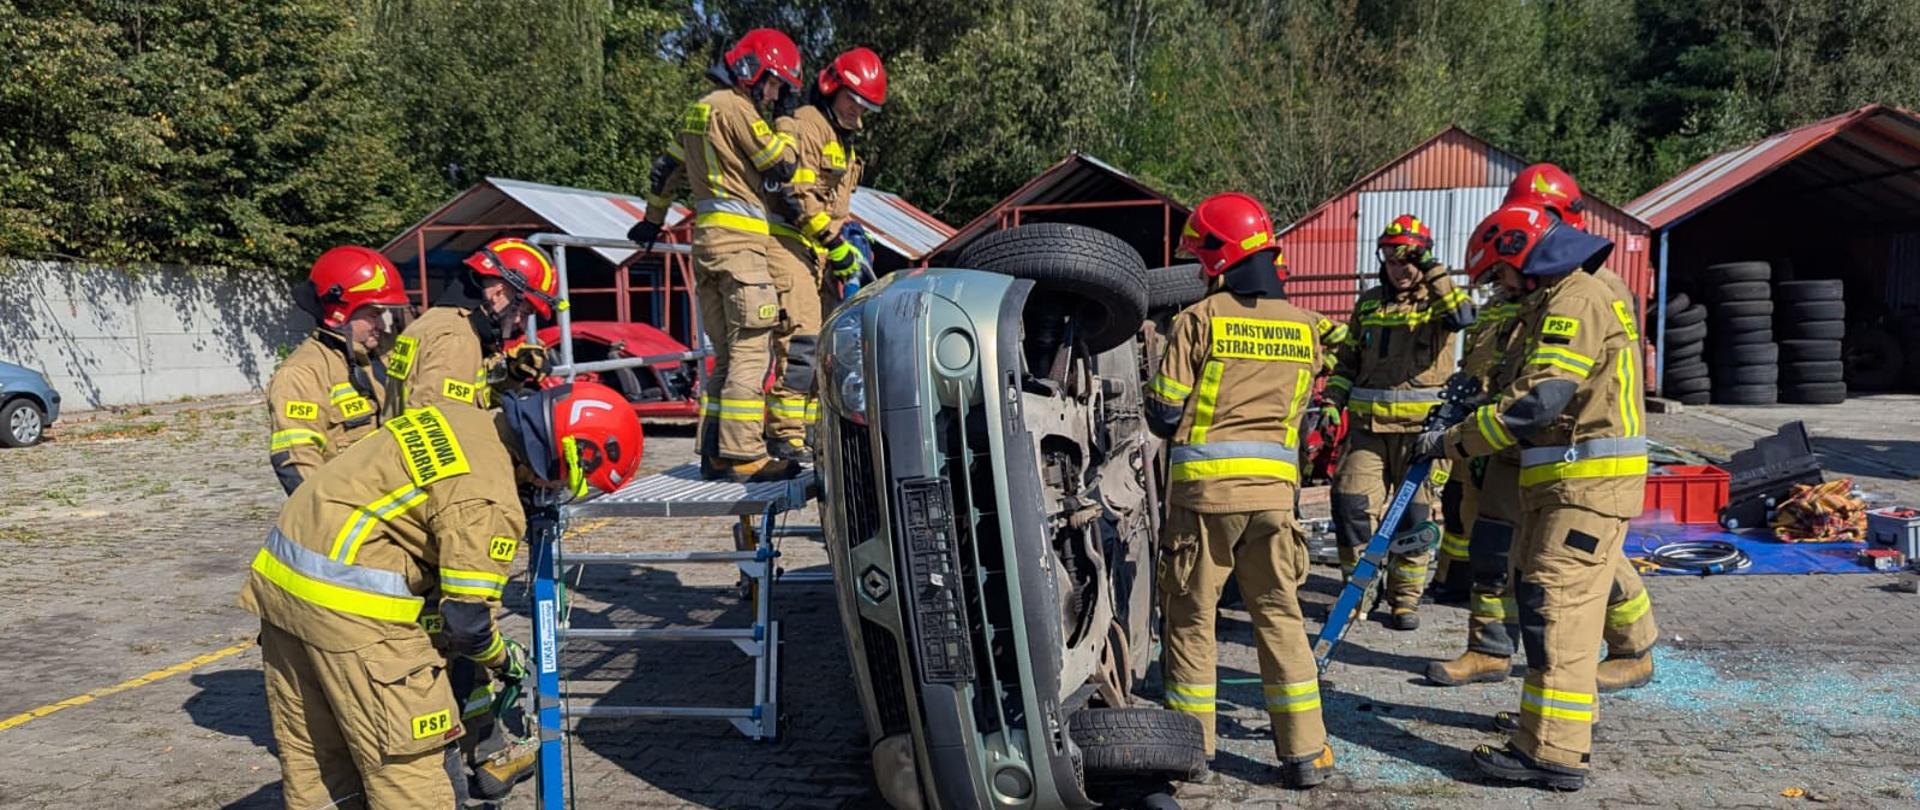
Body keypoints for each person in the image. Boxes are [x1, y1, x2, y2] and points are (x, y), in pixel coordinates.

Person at [241, 380, 643, 808]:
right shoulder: (490, 500)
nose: (556, 491)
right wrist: (506, 660)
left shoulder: (463, 417)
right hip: (355, 613)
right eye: (570, 481)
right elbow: (467, 625)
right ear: (571, 453)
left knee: (321, 768)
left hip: (283, 590)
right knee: (409, 774)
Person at [1415, 202, 1648, 790]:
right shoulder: (1556, 299)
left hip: (1586, 484)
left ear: (1524, 255)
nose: (1500, 286)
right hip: (1565, 484)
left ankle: (1550, 752)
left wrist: (1453, 441)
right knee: (1553, 603)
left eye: (1500, 273)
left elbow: (1537, 401)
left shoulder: (1575, 299)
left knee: (1557, 612)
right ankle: (1550, 726)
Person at [1146, 192, 1342, 788]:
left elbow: (1162, 411)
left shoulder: (1199, 320)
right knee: (1280, 617)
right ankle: (1305, 754)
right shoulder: (1306, 328)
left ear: (1215, 256)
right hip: (1275, 502)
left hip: (1207, 502)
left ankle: (1192, 753)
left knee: (1191, 620)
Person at [1502, 163, 1659, 691]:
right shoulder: (1556, 290)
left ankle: (1629, 653)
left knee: (1564, 580)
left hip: (1584, 459)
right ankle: (1631, 650)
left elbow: (1550, 388)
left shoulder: (1583, 289)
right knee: (1583, 561)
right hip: (1559, 457)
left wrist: (1479, 429)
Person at [630, 28, 803, 481]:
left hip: (704, 246)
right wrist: (786, 121)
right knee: (752, 350)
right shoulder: (736, 109)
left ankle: (713, 451)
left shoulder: (697, 110)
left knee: (724, 355)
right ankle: (746, 455)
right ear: (753, 70)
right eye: (775, 83)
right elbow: (783, 166)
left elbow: (665, 168)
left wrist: (654, 218)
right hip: (741, 249)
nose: (776, 93)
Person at [1321, 214, 1476, 630]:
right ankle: (1360, 592)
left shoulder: (1438, 301)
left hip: (1421, 436)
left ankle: (1404, 600)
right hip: (1368, 432)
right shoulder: (1369, 302)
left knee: (1414, 520)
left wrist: (1432, 268)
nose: (1399, 267)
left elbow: (1463, 318)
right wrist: (1332, 400)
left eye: (1407, 259)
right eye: (1391, 258)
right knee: (1350, 504)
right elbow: (1347, 360)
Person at [762, 46, 886, 462]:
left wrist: (847, 237)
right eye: (855, 101)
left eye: (867, 106)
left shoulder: (842, 139)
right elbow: (797, 197)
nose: (859, 113)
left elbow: (838, 205)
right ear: (833, 88)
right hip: (792, 245)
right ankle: (784, 434)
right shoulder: (805, 126)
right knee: (802, 339)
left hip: (825, 252)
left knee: (831, 346)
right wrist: (836, 245)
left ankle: (817, 434)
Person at [268, 246, 410, 494]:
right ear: (340, 312)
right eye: (372, 315)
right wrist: (328, 516)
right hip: (351, 507)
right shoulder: (303, 373)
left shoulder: (385, 351)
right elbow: (297, 459)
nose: (381, 325)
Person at [383, 238, 559, 418]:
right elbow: (440, 428)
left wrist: (512, 375)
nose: (520, 323)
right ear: (499, 293)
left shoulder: (439, 320)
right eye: (524, 312)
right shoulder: (457, 337)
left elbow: (475, 396)